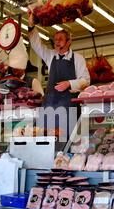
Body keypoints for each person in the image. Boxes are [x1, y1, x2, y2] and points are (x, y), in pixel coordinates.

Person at [28, 11, 90, 139]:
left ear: (69, 42)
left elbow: (86, 80)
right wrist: (31, 27)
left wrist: (69, 83)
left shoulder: (78, 58)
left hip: (69, 109)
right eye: (55, 40)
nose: (57, 42)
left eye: (61, 40)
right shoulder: (51, 56)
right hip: (49, 107)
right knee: (44, 140)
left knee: (66, 140)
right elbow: (37, 45)